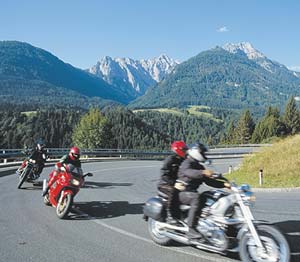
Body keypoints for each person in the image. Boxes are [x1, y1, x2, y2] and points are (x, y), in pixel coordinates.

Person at [177, 143, 231, 238]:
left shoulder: (199, 166)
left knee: (208, 196)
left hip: (191, 192)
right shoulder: (187, 163)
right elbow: (189, 172)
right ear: (196, 152)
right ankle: (191, 229)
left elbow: (209, 181)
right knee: (196, 198)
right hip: (181, 193)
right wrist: (203, 172)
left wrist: (224, 184)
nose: (204, 155)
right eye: (202, 152)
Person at [157, 141, 188, 224]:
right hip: (165, 184)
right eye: (184, 150)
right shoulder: (170, 159)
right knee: (173, 191)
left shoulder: (183, 160)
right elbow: (164, 174)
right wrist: (174, 183)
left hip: (179, 183)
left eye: (186, 150)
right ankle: (170, 215)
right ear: (178, 150)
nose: (185, 152)